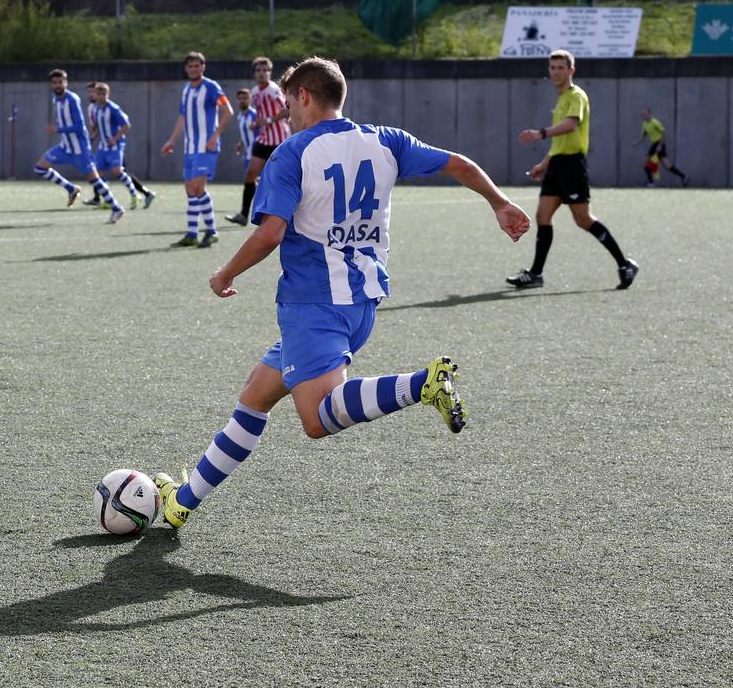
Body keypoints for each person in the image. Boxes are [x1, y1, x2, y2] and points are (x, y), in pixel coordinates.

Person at [151, 56, 531, 529]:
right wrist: (500, 202)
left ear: (304, 96)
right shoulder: (385, 139)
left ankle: (422, 384)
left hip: (314, 304)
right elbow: (457, 162)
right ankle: (182, 503)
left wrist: (225, 273)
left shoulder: (291, 154)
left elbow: (270, 234)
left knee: (316, 419)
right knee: (255, 396)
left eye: (289, 102)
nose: (287, 113)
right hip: (362, 303)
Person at [506, 50, 639, 290]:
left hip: (572, 167)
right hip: (557, 166)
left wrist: (540, 133)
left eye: (560, 68)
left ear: (571, 71)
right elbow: (560, 141)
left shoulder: (576, 96)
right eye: (552, 67)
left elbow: (570, 125)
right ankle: (536, 274)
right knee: (542, 217)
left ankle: (625, 264)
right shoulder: (561, 100)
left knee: (583, 219)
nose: (555, 72)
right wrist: (544, 164)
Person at [33, 69, 125, 223]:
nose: (57, 85)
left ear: (66, 82)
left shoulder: (72, 99)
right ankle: (71, 188)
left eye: (60, 82)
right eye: (54, 82)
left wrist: (58, 129)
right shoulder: (55, 98)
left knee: (94, 180)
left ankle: (117, 208)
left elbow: (79, 126)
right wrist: (58, 127)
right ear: (51, 84)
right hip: (65, 147)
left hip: (80, 149)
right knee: (40, 168)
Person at [160, 51, 232, 247]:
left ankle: (212, 231)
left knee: (198, 187)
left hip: (206, 146)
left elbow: (228, 111)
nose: (194, 69)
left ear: (203, 67)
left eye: (197, 65)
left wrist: (215, 136)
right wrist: (171, 141)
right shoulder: (186, 89)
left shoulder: (211, 87)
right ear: (186, 68)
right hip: (190, 147)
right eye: (190, 66)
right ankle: (192, 234)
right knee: (189, 190)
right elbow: (182, 117)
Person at [227, 57, 292, 226]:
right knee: (250, 174)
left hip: (279, 140)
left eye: (265, 70)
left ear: (270, 73)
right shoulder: (255, 91)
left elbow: (288, 109)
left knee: (281, 178)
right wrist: (256, 126)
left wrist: (269, 120)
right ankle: (243, 215)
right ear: (254, 73)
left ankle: (287, 215)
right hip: (263, 139)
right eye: (259, 70)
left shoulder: (273, 90)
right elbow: (262, 115)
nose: (262, 73)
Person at [92, 82, 157, 209]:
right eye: (99, 94)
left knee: (117, 171)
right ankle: (107, 200)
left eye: (104, 94)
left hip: (115, 146)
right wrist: (93, 135)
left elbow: (126, 125)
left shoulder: (113, 108)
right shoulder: (96, 108)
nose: (101, 96)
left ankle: (134, 195)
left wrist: (115, 138)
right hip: (103, 146)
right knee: (98, 173)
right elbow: (98, 125)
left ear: (108, 94)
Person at [632, 107, 688, 187]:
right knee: (667, 166)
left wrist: (660, 145)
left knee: (646, 164)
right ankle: (683, 176)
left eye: (645, 114)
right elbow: (643, 136)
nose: (644, 116)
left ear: (650, 114)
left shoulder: (655, 122)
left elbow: (664, 133)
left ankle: (651, 183)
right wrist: (636, 142)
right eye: (643, 114)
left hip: (658, 144)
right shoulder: (644, 124)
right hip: (655, 144)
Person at [232, 88, 258, 177]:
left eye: (245, 98)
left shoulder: (255, 114)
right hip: (247, 154)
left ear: (250, 99)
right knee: (250, 180)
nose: (242, 101)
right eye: (240, 98)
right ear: (237, 100)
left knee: (256, 180)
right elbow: (245, 132)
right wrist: (240, 143)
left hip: (257, 153)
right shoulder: (240, 116)